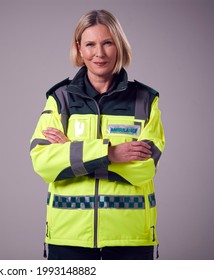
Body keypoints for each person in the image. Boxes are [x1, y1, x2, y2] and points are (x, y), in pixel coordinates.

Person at [29, 9, 165, 260]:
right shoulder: (60, 100)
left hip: (130, 236)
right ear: (79, 48)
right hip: (68, 236)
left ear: (119, 46)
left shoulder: (145, 100)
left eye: (107, 43)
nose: (99, 53)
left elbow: (143, 169)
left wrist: (73, 151)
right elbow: (44, 162)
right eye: (90, 44)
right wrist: (110, 153)